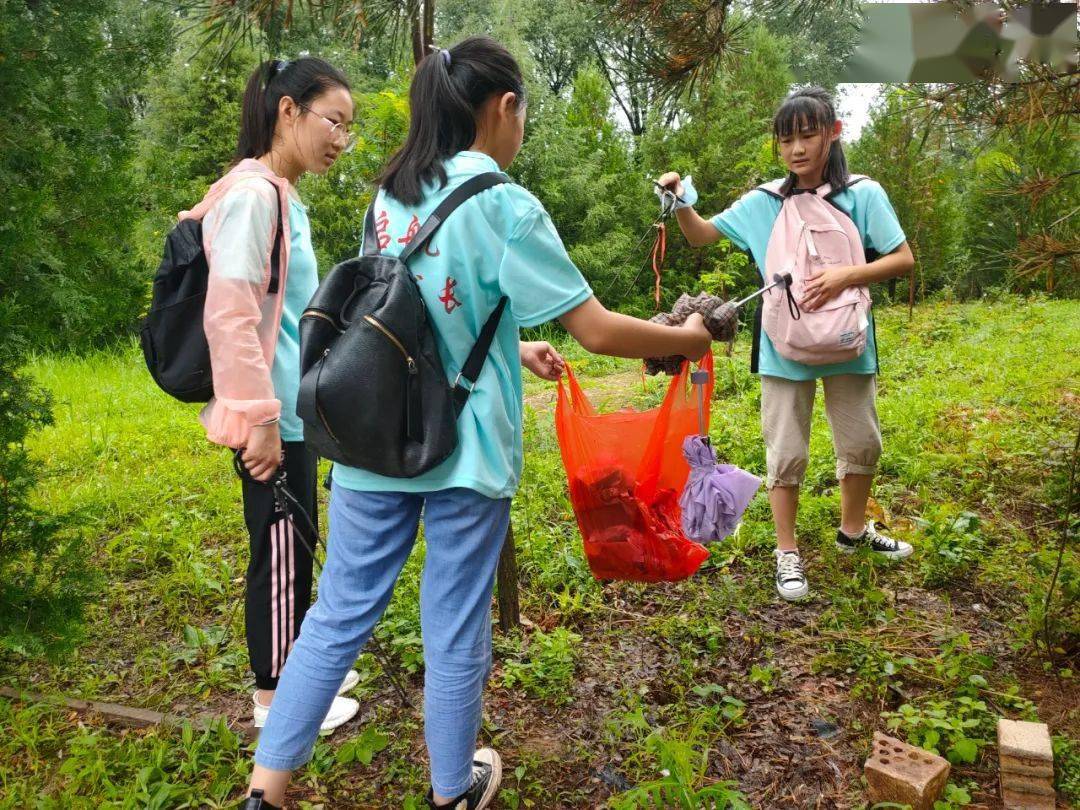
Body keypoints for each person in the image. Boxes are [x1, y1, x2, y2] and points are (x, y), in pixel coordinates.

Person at [242, 36, 712, 810]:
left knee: (335, 615)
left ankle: (268, 789)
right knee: (453, 626)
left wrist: (512, 342)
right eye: (522, 114)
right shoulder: (503, 204)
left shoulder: (388, 195)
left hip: (376, 440)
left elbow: (401, 312)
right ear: (505, 108)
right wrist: (686, 339)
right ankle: (451, 791)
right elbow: (594, 329)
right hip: (464, 451)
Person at [657, 86, 915, 602]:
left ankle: (853, 532)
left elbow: (901, 258)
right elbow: (701, 234)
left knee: (862, 441)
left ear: (833, 133)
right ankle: (786, 552)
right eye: (786, 139)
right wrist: (680, 199)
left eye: (808, 135)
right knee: (787, 449)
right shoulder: (763, 203)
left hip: (848, 339)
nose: (796, 149)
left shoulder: (863, 194)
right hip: (783, 344)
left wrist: (846, 276)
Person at [182, 57, 360, 732]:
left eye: (348, 127)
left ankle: (302, 665)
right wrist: (257, 419)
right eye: (332, 121)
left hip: (292, 408)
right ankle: (277, 701)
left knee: (294, 538)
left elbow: (289, 313)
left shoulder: (281, 195)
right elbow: (228, 312)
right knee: (280, 553)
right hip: (270, 415)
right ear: (289, 111)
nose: (340, 139)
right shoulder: (255, 195)